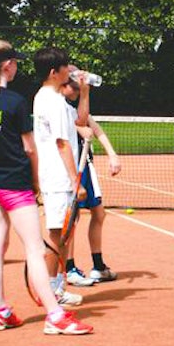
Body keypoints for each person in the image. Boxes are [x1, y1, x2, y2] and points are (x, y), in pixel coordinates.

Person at [0, 39, 91, 336]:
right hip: (14, 183)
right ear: (7, 65)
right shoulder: (16, 102)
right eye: (15, 63)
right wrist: (35, 183)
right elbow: (29, 148)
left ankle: (0, 312)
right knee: (35, 250)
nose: (17, 67)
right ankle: (55, 315)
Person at [31, 47, 90, 310]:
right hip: (57, 179)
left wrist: (85, 92)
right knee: (57, 236)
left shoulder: (56, 98)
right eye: (66, 67)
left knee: (64, 235)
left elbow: (80, 120)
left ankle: (56, 287)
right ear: (54, 72)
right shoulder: (50, 101)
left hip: (61, 179)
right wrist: (74, 180)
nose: (70, 70)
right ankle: (49, 291)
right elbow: (61, 142)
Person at [58, 74, 122, 286]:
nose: (77, 92)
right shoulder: (57, 105)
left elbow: (92, 126)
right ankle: (69, 268)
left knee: (98, 213)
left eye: (80, 89)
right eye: (75, 88)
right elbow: (66, 128)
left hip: (86, 164)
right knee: (71, 219)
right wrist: (78, 128)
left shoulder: (75, 106)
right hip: (71, 165)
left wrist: (112, 154)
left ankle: (98, 265)